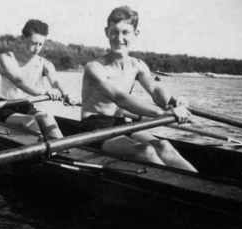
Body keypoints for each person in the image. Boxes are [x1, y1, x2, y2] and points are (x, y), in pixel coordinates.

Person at [80, 6, 197, 172]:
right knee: (146, 151)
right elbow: (119, 98)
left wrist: (171, 101)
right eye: (114, 32)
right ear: (107, 32)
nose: (119, 38)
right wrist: (163, 113)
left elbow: (155, 90)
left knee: (164, 145)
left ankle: (208, 191)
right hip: (94, 130)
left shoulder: (138, 65)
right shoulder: (94, 67)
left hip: (121, 125)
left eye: (125, 32)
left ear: (135, 34)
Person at [0, 19, 76, 139]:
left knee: (46, 116)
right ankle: (42, 150)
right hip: (3, 108)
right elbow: (19, 81)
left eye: (41, 44)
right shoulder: (7, 58)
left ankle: (65, 150)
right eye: (34, 43)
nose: (37, 48)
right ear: (23, 39)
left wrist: (66, 94)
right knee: (29, 120)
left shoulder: (46, 64)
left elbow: (55, 82)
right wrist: (45, 92)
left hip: (27, 107)